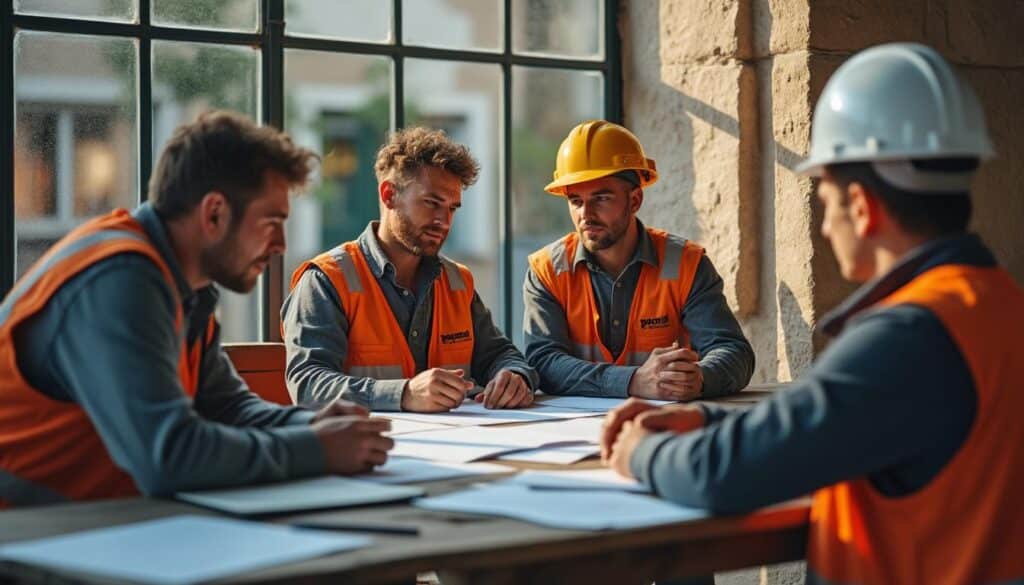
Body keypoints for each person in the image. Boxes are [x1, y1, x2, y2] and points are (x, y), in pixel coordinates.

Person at [602, 43, 1024, 585]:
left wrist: (642, 453)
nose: (825, 227)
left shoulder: (910, 335)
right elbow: (833, 426)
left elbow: (723, 475)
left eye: (824, 200)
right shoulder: (1000, 306)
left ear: (862, 207)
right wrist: (707, 418)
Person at [0, 111, 394, 507]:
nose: (280, 245)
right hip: (25, 537)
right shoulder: (120, 279)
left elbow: (227, 407)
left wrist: (317, 424)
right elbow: (168, 457)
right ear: (214, 214)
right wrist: (315, 449)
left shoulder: (187, 287)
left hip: (95, 525)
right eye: (271, 221)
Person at [284, 127, 537, 413]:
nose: (444, 221)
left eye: (453, 208)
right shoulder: (326, 280)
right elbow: (308, 384)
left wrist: (514, 376)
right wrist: (402, 393)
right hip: (365, 450)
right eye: (431, 203)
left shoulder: (457, 281)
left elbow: (499, 354)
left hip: (458, 447)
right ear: (389, 194)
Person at [523, 120, 754, 402]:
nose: (586, 213)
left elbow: (733, 351)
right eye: (576, 201)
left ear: (635, 201)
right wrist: (632, 381)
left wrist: (701, 378)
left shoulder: (685, 263)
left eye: (601, 198)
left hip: (665, 427)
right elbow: (543, 362)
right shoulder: (548, 270)